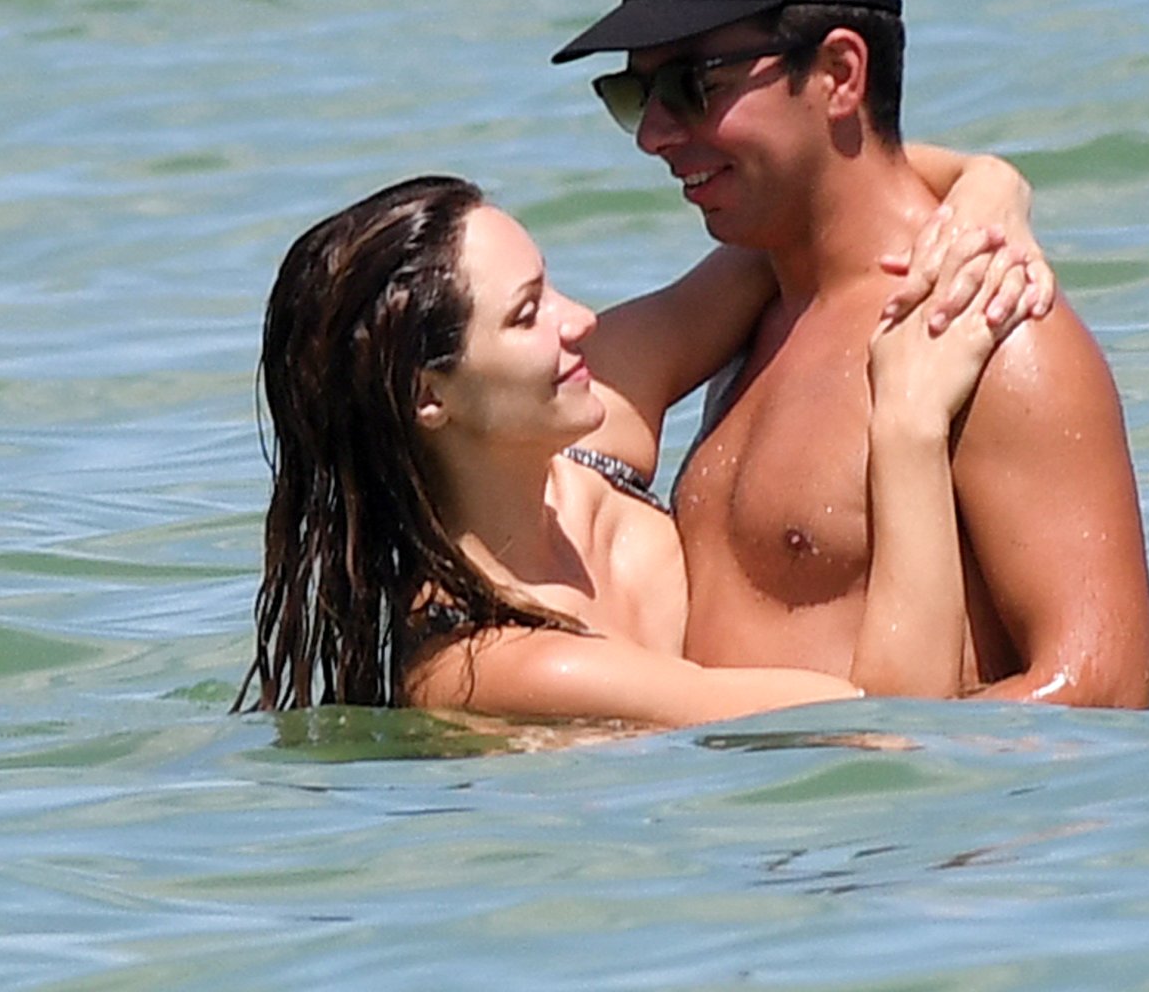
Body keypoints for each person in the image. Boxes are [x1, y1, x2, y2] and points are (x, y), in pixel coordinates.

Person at [552, 0, 1149, 708]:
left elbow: (1101, 690)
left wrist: (863, 758)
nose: (653, 134)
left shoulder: (987, 330)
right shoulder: (747, 314)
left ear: (839, 74)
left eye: (692, 85)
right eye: (633, 95)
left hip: (889, 799)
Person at [235, 165, 1042, 727]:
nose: (580, 319)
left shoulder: (593, 423)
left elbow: (813, 206)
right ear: (429, 396)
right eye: (526, 313)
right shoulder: (503, 666)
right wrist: (908, 426)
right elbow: (894, 721)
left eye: (549, 283)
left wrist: (990, 188)